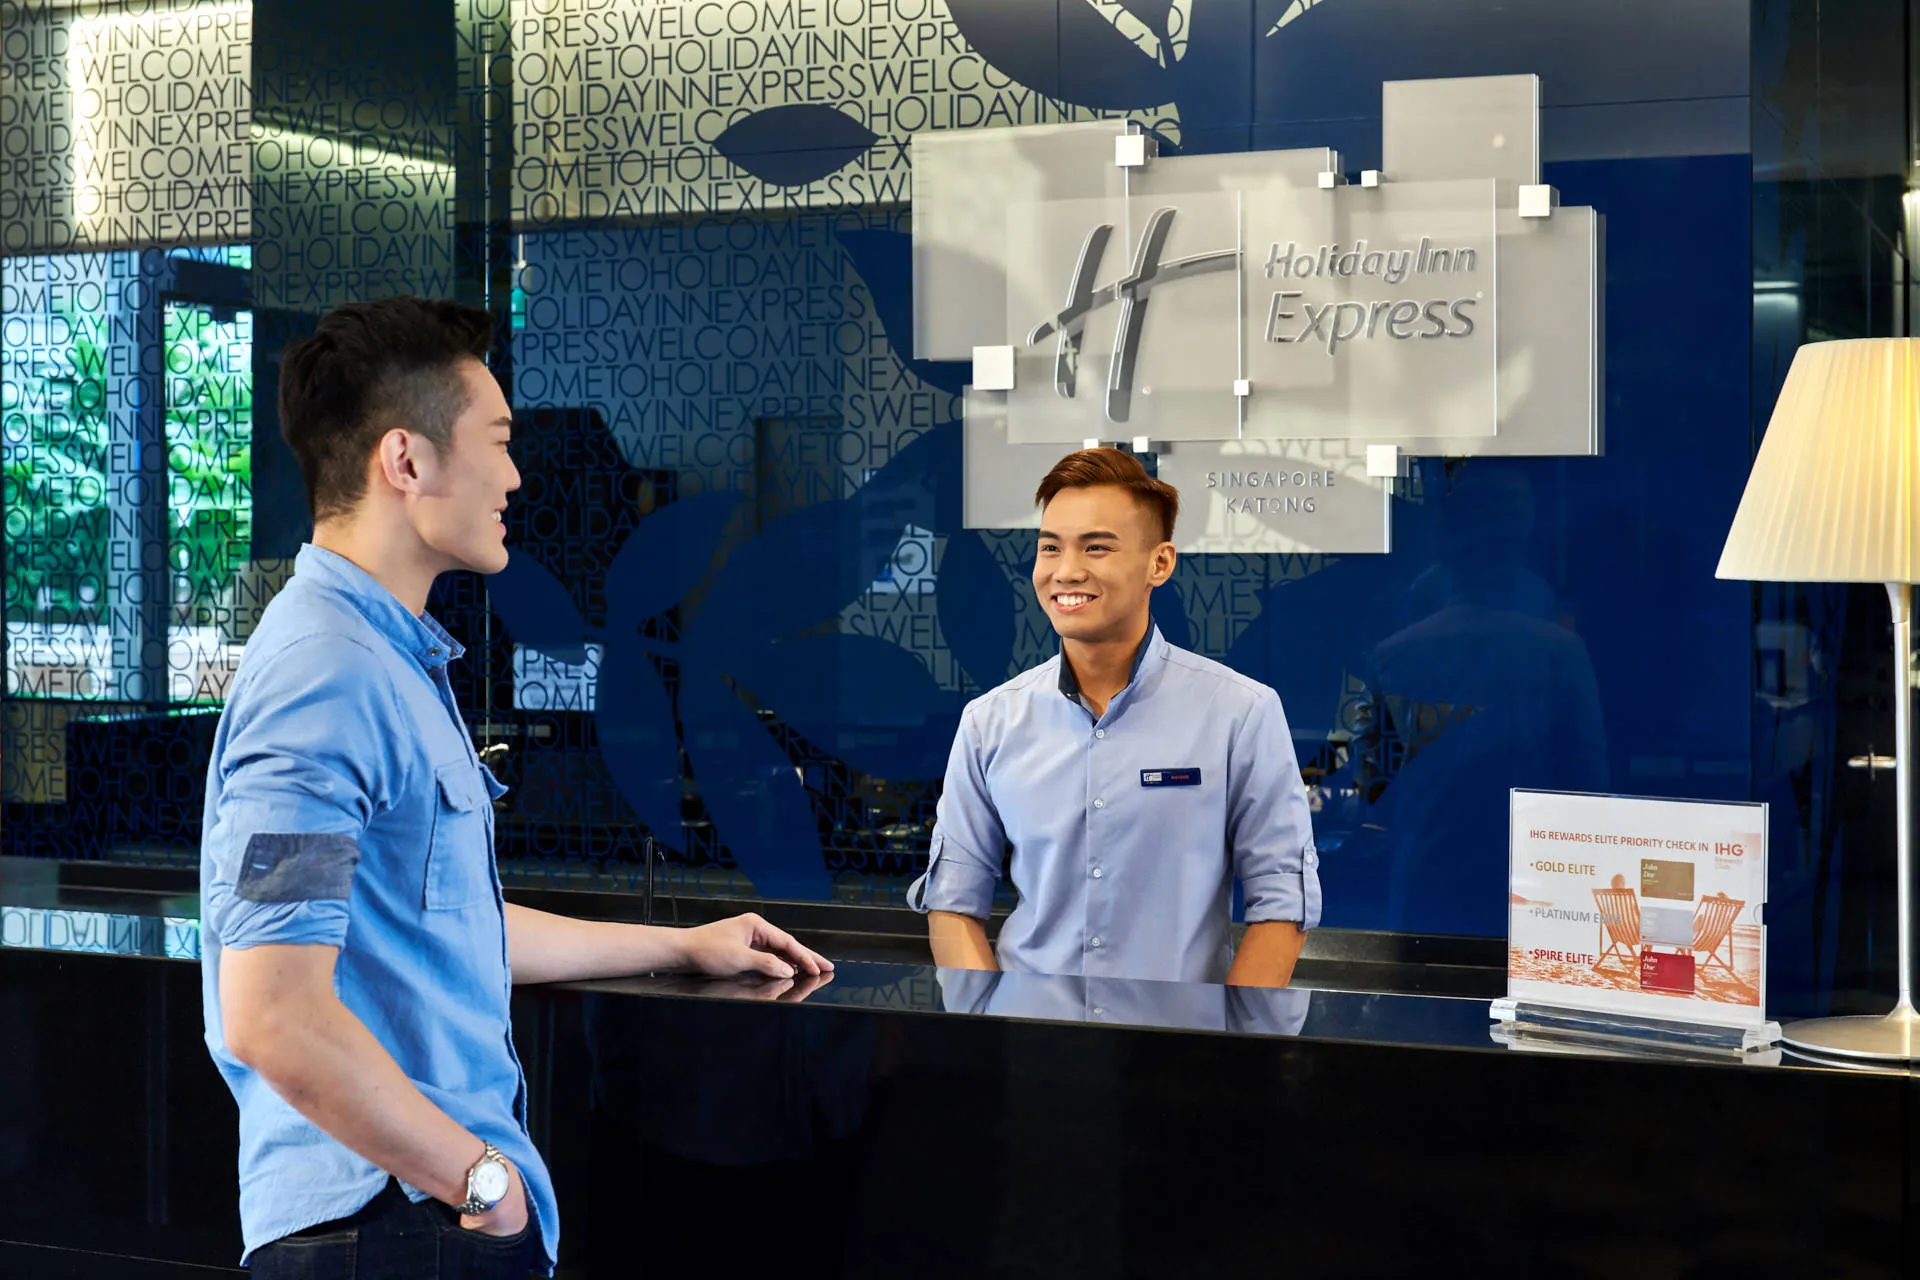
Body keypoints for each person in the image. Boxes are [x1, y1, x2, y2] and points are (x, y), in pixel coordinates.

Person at [198, 297, 831, 1279]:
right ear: (405, 461)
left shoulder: (384, 661)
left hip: (415, 1222)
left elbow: (447, 921)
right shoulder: (326, 673)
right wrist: (480, 1183)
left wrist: (681, 943)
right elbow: (272, 1007)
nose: (515, 475)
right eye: (495, 440)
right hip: (394, 1224)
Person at [907, 448, 1321, 985]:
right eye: (1050, 547)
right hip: (1031, 1041)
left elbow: (1281, 902)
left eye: (1096, 547)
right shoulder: (990, 722)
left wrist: (1230, 1052)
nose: (1066, 571)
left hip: (1180, 1044)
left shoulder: (1240, 713)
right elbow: (953, 902)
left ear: (1160, 563)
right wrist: (990, 1031)